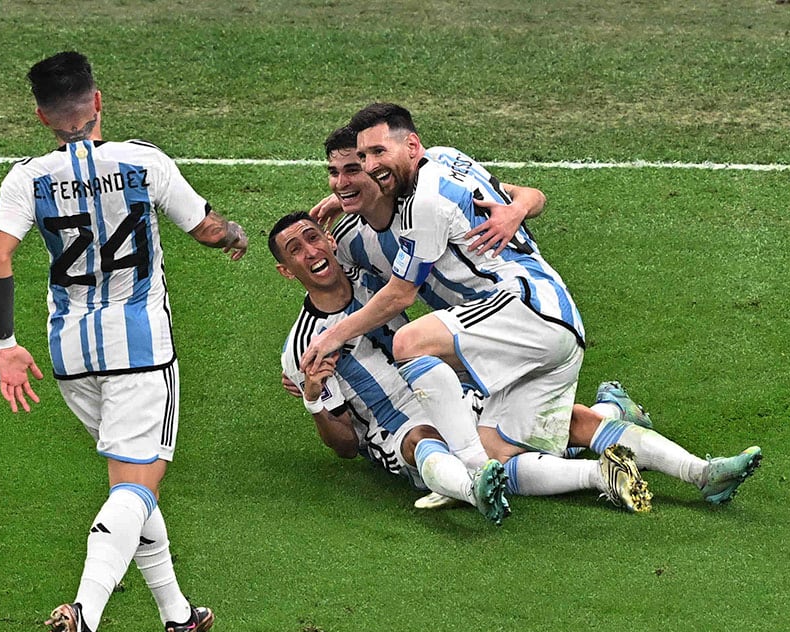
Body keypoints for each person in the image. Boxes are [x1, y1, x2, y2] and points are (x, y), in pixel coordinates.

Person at [0, 51, 247, 632]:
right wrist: (234, 233)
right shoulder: (143, 162)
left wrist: (6, 344)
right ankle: (85, 620)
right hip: (140, 353)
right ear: (97, 102)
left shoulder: (26, 177)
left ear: (42, 115)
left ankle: (178, 616)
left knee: (132, 487)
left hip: (72, 355)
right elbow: (203, 226)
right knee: (137, 487)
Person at [315, 123, 760, 505]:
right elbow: (528, 193)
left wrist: (329, 339)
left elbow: (399, 297)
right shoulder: (369, 227)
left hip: (525, 306)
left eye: (363, 164)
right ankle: (698, 470)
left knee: (411, 345)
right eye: (337, 172)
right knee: (513, 447)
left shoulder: (426, 200)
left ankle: (469, 476)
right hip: (534, 326)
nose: (354, 176)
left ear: (404, 152)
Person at [271, 211, 658, 520]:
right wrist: (312, 397)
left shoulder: (376, 280)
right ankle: (476, 489)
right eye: (295, 249)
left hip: (448, 391)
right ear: (287, 271)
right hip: (397, 427)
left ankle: (610, 412)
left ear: (330, 240)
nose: (311, 251)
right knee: (427, 438)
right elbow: (346, 446)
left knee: (529, 431)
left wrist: (347, 198)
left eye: (313, 237)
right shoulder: (302, 345)